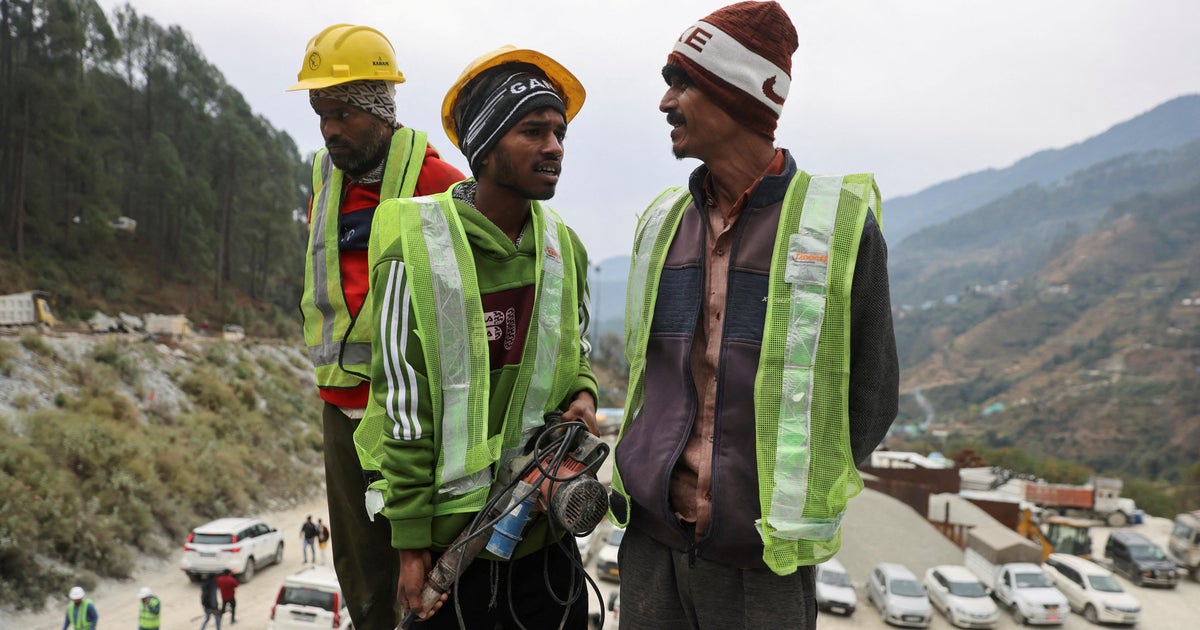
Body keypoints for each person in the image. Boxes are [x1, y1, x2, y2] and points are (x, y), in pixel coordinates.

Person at [608, 2, 899, 629]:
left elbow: (871, 398)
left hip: (763, 565)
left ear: (735, 97)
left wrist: (770, 498)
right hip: (652, 548)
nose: (665, 102)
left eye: (681, 82)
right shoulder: (663, 222)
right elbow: (648, 378)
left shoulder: (837, 227)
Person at [354, 45, 598, 628]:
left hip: (543, 542)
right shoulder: (415, 246)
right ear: (485, 149)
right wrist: (412, 544)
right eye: (533, 131)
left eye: (559, 132)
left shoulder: (564, 248)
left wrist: (584, 393)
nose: (554, 147)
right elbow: (402, 407)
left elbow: (577, 351)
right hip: (450, 556)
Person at [285, 23, 465, 630]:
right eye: (320, 114)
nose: (329, 128)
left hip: (414, 417)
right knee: (360, 572)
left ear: (379, 110)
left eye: (341, 113)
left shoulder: (439, 187)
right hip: (340, 407)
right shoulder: (322, 179)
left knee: (422, 567)